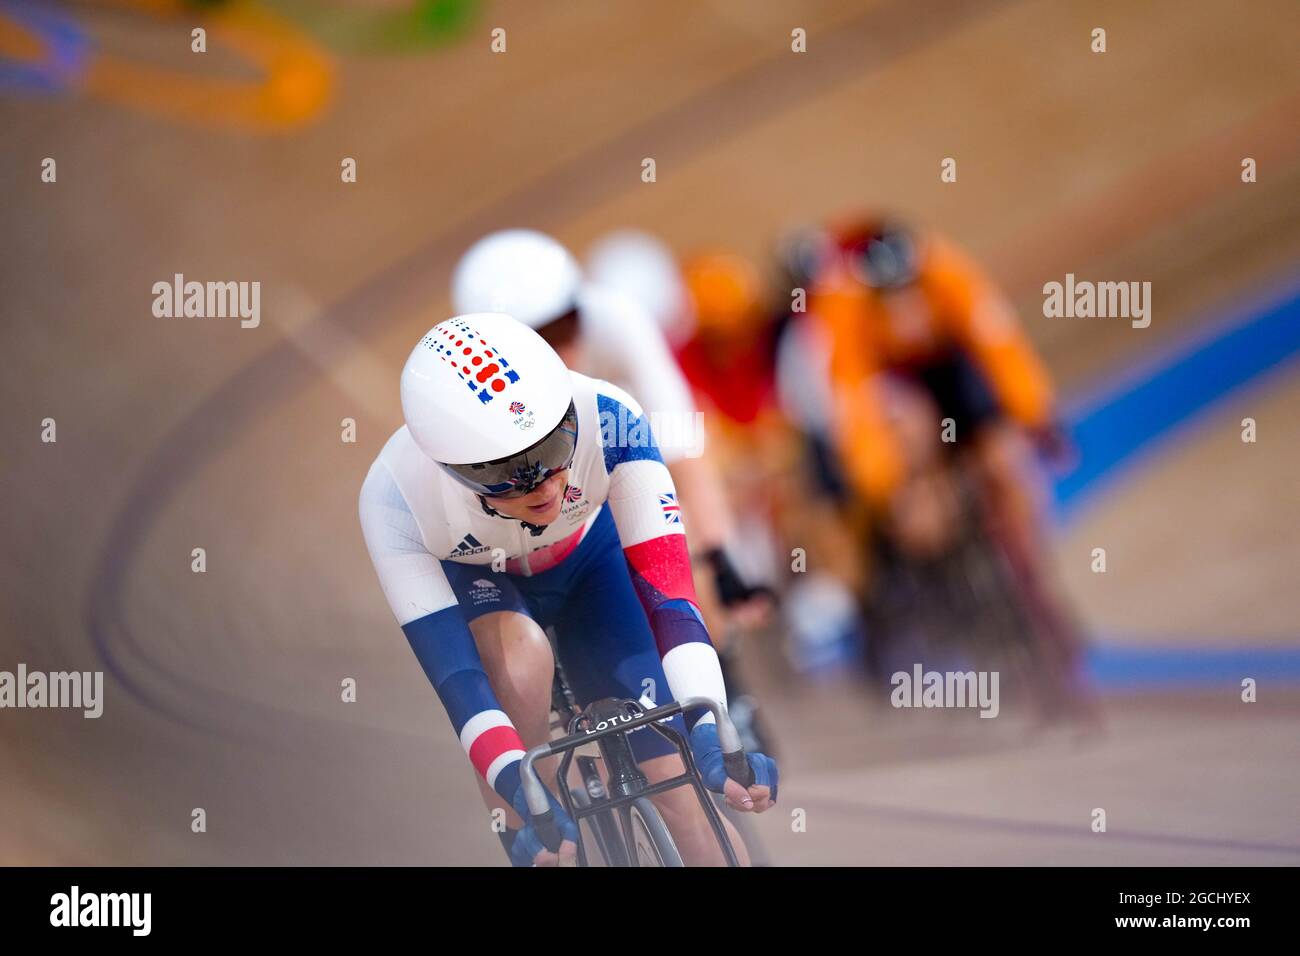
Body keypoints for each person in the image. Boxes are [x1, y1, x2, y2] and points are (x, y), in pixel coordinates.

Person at [359, 312, 778, 866]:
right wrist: (516, 789)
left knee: (680, 791)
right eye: (511, 471)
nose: (548, 485)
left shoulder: (611, 418)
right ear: (452, 469)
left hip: (589, 561)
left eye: (555, 449)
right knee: (522, 668)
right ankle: (535, 832)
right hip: (487, 582)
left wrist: (710, 723)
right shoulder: (394, 500)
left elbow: (673, 602)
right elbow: (460, 684)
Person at [453, 229, 771, 636]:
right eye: (541, 338)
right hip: (548, 490)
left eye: (568, 324)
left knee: (684, 548)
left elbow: (680, 443)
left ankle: (718, 669)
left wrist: (720, 553)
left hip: (614, 452)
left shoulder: (617, 320)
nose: (563, 347)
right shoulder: (475, 384)